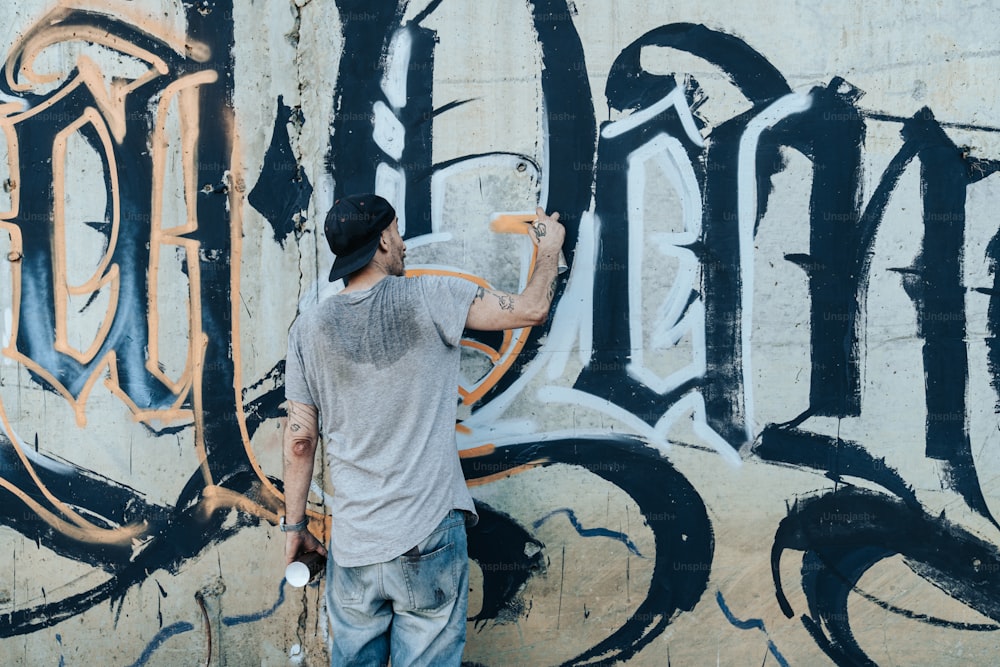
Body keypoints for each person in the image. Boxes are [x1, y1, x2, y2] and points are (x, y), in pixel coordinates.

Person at [280, 193, 565, 666]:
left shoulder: (309, 328)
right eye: (397, 233)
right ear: (381, 243)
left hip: (354, 547)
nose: (405, 244)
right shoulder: (432, 296)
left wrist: (294, 527)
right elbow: (529, 309)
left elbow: (299, 440)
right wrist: (550, 247)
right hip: (427, 534)